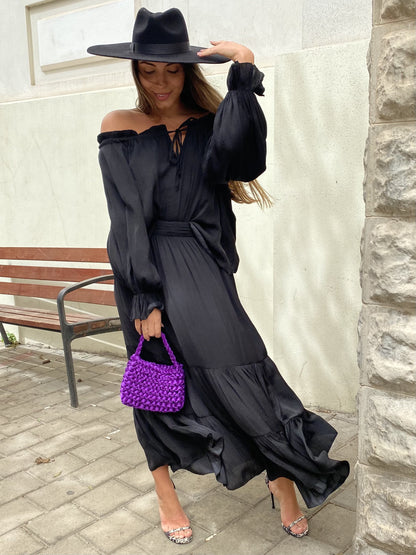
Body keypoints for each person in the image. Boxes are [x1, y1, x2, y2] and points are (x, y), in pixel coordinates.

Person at [88, 7, 349, 545]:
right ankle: (165, 492)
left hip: (201, 265)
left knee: (242, 365)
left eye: (172, 70)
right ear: (135, 70)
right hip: (144, 268)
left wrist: (244, 68)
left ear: (188, 71)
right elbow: (126, 217)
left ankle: (282, 478)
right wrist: (144, 296)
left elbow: (246, 162)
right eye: (148, 70)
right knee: (155, 381)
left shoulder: (210, 124)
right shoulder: (118, 126)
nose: (160, 82)